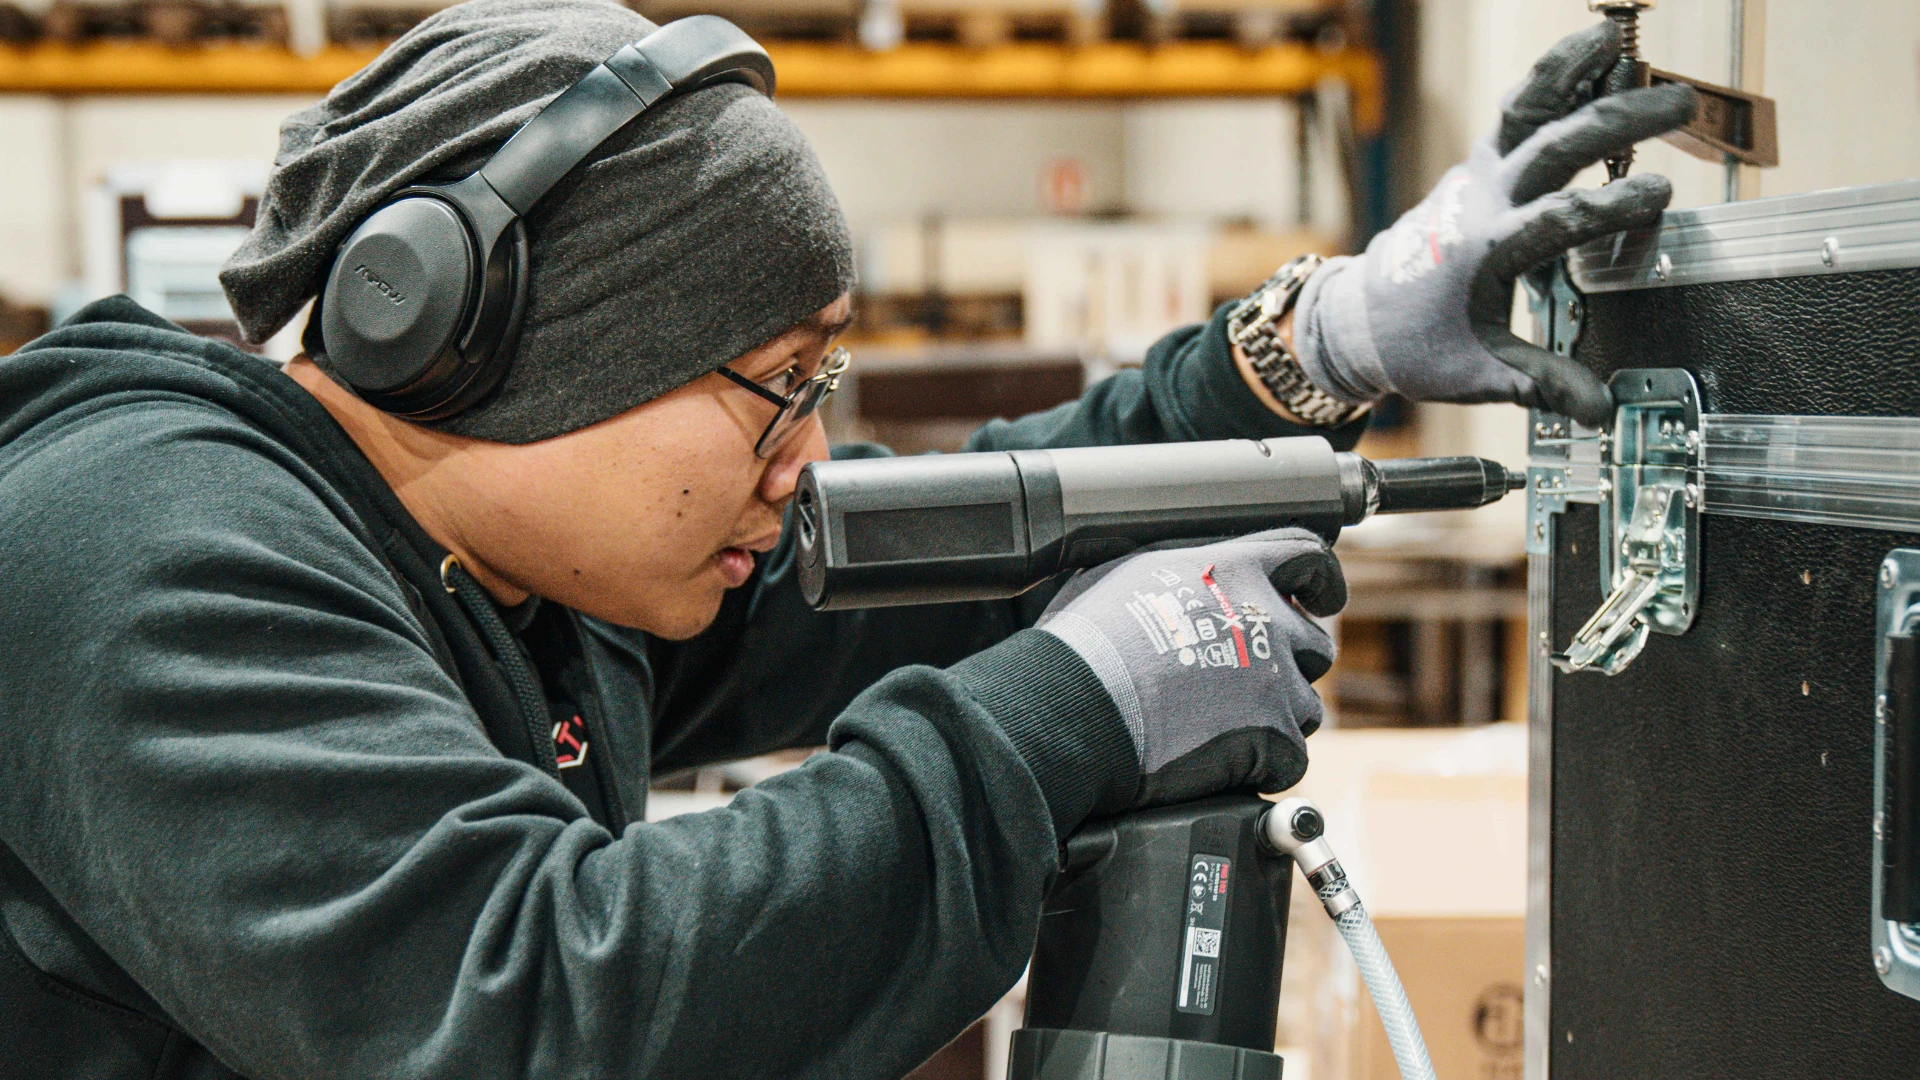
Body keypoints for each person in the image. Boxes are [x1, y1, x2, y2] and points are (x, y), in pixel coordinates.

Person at [0, 2, 1690, 1077]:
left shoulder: (510, 564)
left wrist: (1304, 355)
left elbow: (924, 561)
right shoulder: (147, 556)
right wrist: (1068, 713)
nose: (810, 456)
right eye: (779, 388)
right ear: (516, 351)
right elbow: (531, 1009)